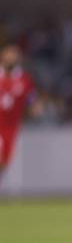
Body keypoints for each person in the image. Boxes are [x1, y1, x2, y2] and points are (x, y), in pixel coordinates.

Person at [0, 44, 36, 182]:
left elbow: (31, 99)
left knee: (5, 161)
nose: (11, 58)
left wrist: (33, 108)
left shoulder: (24, 80)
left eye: (14, 55)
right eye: (9, 54)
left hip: (12, 127)